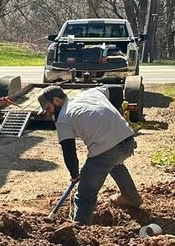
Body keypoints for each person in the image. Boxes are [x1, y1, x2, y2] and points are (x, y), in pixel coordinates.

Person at [37, 84, 142, 223]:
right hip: (128, 142)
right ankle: (131, 198)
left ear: (56, 100)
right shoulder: (90, 93)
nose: (48, 113)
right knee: (114, 163)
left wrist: (75, 175)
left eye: (48, 108)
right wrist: (116, 114)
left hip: (106, 151)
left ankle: (79, 228)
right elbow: (117, 89)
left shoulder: (62, 118)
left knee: (85, 195)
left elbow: (69, 150)